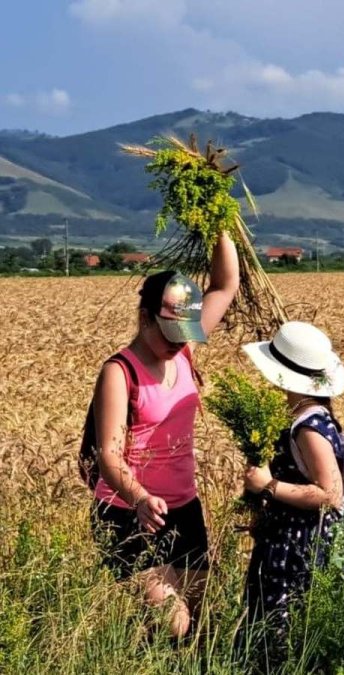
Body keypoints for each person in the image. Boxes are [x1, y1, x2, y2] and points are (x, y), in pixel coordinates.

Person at [87, 232, 239, 641]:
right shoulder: (120, 372)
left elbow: (225, 285)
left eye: (183, 333)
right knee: (174, 622)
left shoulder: (184, 350)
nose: (177, 343)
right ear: (145, 317)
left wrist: (217, 218)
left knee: (202, 618)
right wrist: (138, 497)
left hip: (184, 507)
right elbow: (109, 455)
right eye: (169, 332)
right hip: (127, 513)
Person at [236, 321, 344, 664]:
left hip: (296, 549)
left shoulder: (307, 428)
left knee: (279, 640)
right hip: (292, 541)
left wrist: (267, 486)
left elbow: (330, 494)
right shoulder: (311, 415)